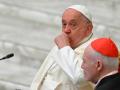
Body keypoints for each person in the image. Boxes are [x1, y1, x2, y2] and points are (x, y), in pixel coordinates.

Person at [31, 5, 94, 90]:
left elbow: (80, 77)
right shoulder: (63, 44)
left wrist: (64, 47)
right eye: (64, 24)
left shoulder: (95, 49)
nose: (66, 30)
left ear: (88, 29)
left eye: (73, 25)